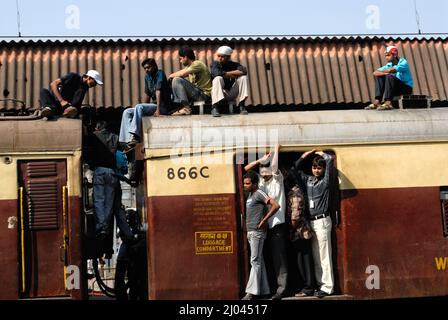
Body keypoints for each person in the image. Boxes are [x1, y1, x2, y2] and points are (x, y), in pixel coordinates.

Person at [244, 144, 288, 300]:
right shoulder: (261, 184)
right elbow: (246, 170)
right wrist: (260, 160)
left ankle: (281, 290)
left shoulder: (277, 180)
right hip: (263, 228)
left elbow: (275, 167)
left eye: (266, 171)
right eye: (262, 172)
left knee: (278, 259)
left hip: (276, 225)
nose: (264, 174)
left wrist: (275, 150)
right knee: (263, 259)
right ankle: (266, 289)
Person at [293, 149, 335, 298]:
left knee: (324, 256)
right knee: (317, 256)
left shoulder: (325, 181)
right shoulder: (308, 180)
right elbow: (294, 169)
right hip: (312, 222)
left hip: (323, 220)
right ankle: (320, 285)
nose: (316, 170)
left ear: (323, 169)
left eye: (319, 168)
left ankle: (327, 287)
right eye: (314, 167)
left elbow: (330, 160)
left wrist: (321, 153)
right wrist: (305, 155)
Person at [119, 58, 173, 152]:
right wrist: (143, 108)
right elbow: (148, 94)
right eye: (145, 68)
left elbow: (158, 91)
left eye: (148, 67)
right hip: (153, 106)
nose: (146, 70)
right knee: (127, 112)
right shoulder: (147, 77)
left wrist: (158, 110)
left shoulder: (160, 73)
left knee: (139, 107)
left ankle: (136, 137)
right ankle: (128, 140)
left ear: (154, 66)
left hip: (163, 106)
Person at [242, 170, 280, 300]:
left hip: (257, 232)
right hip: (251, 232)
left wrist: (264, 220)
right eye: (244, 183)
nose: (245, 186)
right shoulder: (250, 195)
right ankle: (264, 290)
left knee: (255, 261)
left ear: (254, 183)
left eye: (247, 183)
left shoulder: (259, 193)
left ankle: (251, 293)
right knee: (259, 261)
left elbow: (276, 205)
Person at [285, 171, 315, 297]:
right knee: (305, 257)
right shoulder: (300, 190)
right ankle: (307, 286)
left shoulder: (294, 193)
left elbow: (295, 214)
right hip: (304, 230)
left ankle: (307, 288)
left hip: (299, 231)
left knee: (303, 259)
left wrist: (291, 229)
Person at [90, 120, 119, 238]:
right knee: (109, 201)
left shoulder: (94, 136)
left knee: (99, 200)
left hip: (100, 171)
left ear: (98, 127)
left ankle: (101, 226)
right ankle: (105, 226)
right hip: (111, 172)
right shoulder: (115, 137)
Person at [365, 45, 414, 110]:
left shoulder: (403, 62)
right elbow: (375, 73)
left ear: (394, 55)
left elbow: (391, 70)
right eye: (385, 55)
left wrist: (386, 73)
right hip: (394, 88)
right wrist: (385, 73)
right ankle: (377, 101)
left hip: (406, 88)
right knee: (380, 76)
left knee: (389, 76)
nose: (386, 57)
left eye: (388, 55)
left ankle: (388, 102)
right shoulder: (389, 64)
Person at [168, 47, 212, 116]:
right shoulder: (189, 67)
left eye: (180, 59)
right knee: (174, 80)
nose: (180, 61)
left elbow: (181, 74)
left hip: (203, 95)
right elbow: (182, 72)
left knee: (176, 79)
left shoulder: (197, 63)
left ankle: (186, 108)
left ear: (185, 57)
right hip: (197, 93)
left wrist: (170, 76)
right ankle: (179, 106)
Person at [210, 45, 249, 116]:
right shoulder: (215, 64)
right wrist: (234, 73)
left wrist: (227, 73)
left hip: (230, 93)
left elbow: (244, 71)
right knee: (218, 78)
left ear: (228, 57)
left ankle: (242, 105)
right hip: (220, 92)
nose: (220, 58)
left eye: (222, 56)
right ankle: (214, 107)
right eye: (218, 56)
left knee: (243, 77)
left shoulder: (234, 64)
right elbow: (216, 73)